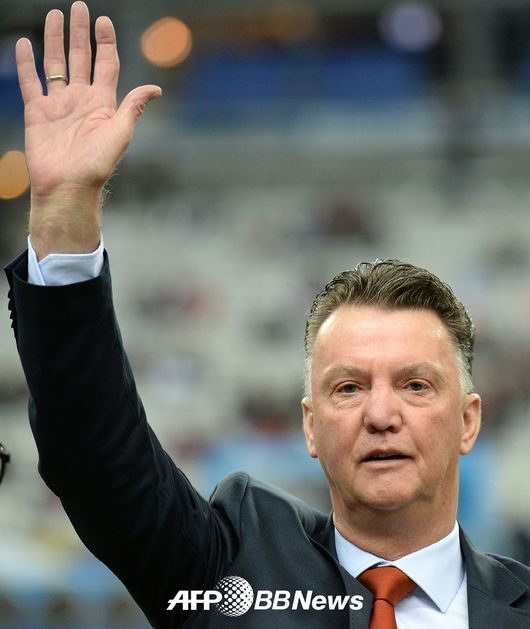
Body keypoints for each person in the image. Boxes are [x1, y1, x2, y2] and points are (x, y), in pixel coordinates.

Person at [5, 2, 530, 628]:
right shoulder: (226, 571)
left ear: (468, 421)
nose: (381, 414)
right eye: (348, 387)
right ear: (309, 426)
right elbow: (96, 457)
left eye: (415, 385)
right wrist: (65, 209)